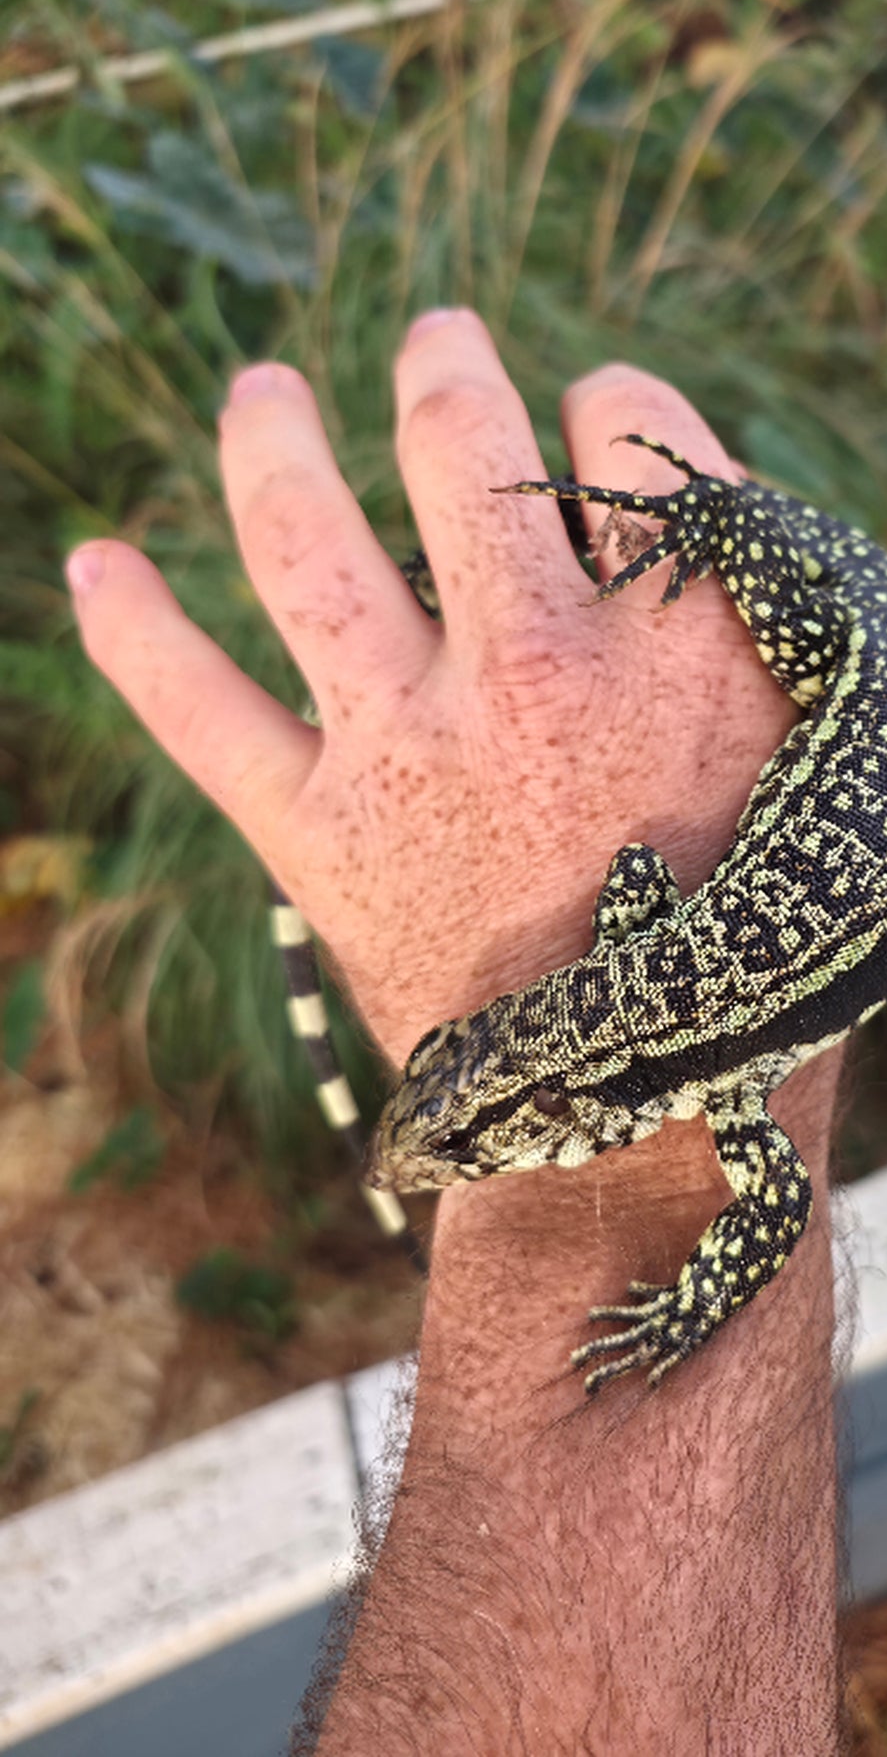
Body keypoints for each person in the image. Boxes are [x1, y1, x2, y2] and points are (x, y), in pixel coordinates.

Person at [67, 308, 846, 1755]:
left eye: (475, 1128)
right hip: (872, 702)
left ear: (563, 1108)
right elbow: (632, 897)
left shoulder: (708, 1072)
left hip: (877, 671)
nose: (446, 1145)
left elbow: (761, 1183)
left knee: (742, 550)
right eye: (456, 1097)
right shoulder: (694, 1052)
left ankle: (729, 529)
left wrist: (680, 1306)